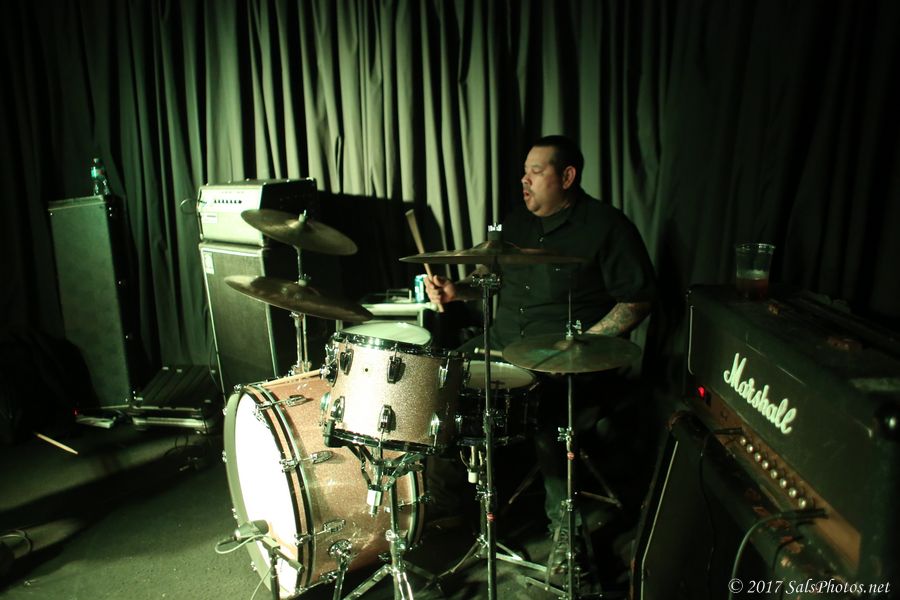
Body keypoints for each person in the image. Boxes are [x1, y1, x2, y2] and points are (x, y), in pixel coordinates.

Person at [424, 135, 656, 548]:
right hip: (500, 343)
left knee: (550, 418)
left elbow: (638, 299)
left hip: (561, 358)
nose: (524, 180)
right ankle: (446, 506)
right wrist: (457, 290)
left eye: (536, 171)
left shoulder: (607, 226)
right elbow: (490, 278)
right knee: (437, 382)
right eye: (524, 171)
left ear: (567, 177)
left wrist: (584, 343)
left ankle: (566, 535)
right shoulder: (514, 223)